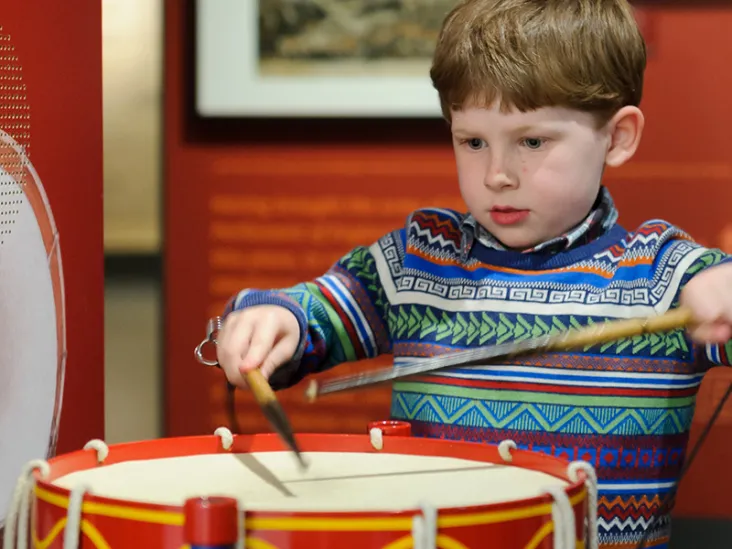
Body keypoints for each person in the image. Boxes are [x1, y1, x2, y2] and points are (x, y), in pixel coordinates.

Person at [214, 1, 732, 547]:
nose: (497, 175)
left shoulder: (666, 276)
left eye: (532, 142)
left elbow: (717, 289)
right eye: (473, 141)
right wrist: (276, 318)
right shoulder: (420, 260)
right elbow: (316, 312)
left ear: (619, 137)